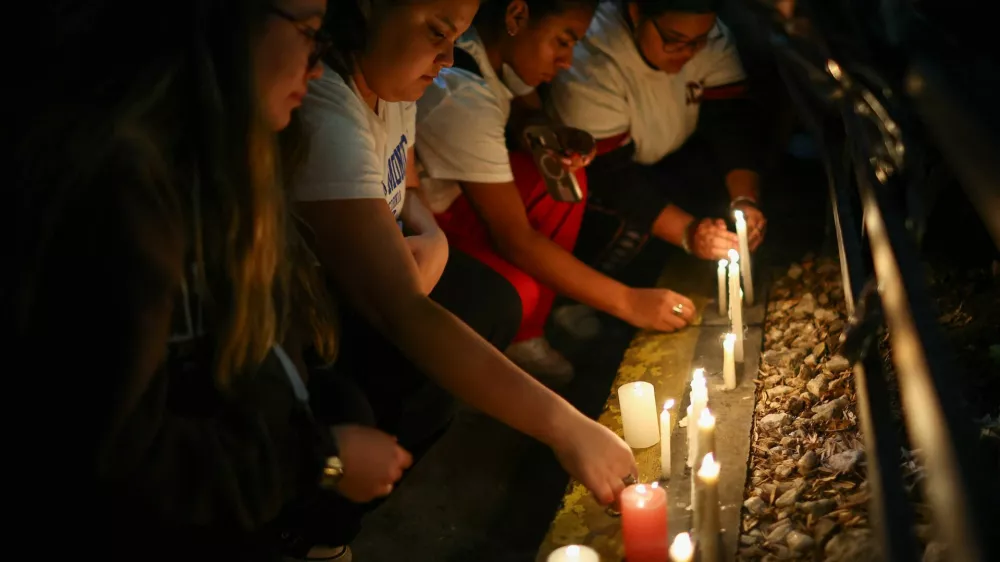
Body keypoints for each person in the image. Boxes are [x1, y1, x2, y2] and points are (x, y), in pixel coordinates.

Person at [9, 1, 409, 560]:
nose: (318, 67)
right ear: (223, 19)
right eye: (310, 35)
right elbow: (114, 459)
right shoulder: (120, 186)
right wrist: (321, 459)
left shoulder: (217, 157)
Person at [291, 0, 637, 524]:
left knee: (490, 300)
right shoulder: (327, 113)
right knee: (417, 348)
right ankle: (317, 525)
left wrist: (433, 238)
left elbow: (403, 184)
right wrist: (566, 427)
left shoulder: (392, 85)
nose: (448, 57)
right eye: (436, 31)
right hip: (313, 308)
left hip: (400, 256)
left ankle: (391, 447)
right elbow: (398, 304)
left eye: (457, 37)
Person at [414, 0, 697, 382]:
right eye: (562, 43)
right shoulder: (461, 97)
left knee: (565, 179)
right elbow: (514, 237)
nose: (566, 62)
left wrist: (549, 134)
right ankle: (491, 357)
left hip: (456, 202)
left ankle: (530, 330)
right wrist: (630, 302)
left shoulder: (491, 58)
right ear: (516, 17)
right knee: (518, 294)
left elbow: (525, 113)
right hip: (426, 223)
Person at [547, 0, 768, 272]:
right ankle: (576, 306)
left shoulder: (710, 37)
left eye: (699, 41)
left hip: (674, 155)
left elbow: (730, 122)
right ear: (636, 10)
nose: (688, 52)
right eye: (674, 40)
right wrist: (689, 234)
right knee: (626, 232)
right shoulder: (592, 62)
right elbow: (614, 177)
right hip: (603, 178)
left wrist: (744, 198)